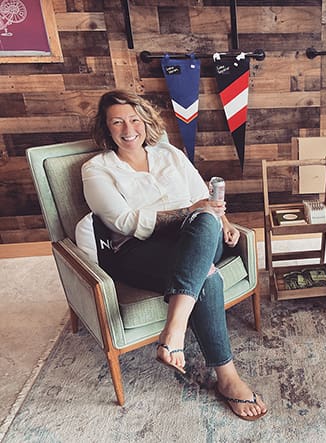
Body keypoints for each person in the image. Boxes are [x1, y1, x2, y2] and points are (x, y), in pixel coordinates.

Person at [81, 90, 267, 421]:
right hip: (138, 250)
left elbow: (203, 199)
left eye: (135, 119)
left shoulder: (170, 154)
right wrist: (192, 212)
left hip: (198, 235)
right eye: (118, 122)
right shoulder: (97, 169)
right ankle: (228, 379)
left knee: (205, 221)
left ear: (145, 122)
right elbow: (125, 223)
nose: (129, 129)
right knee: (205, 272)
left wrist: (223, 222)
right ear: (105, 128)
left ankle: (174, 329)